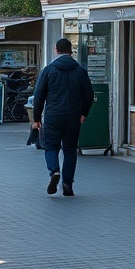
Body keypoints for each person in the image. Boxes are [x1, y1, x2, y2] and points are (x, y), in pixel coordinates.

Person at [32, 38, 93, 197]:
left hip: (53, 115)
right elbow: (89, 95)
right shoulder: (80, 71)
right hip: (73, 116)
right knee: (70, 150)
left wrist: (36, 118)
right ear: (71, 50)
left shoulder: (49, 70)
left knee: (51, 147)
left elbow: (38, 96)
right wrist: (83, 113)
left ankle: (54, 171)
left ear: (56, 50)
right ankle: (68, 185)